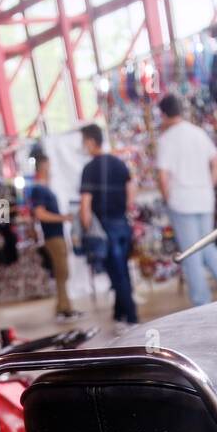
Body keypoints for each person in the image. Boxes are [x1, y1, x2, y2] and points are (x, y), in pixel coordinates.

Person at [156, 92, 217, 307]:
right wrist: (208, 185)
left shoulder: (166, 139)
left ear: (163, 114)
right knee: (206, 246)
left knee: (191, 253)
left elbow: (162, 176)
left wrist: (168, 198)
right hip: (204, 199)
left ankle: (201, 302)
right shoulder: (197, 133)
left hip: (181, 202)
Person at [79, 123, 138, 326]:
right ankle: (120, 314)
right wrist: (126, 208)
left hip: (104, 227)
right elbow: (131, 189)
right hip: (122, 222)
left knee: (117, 272)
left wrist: (86, 229)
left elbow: (85, 204)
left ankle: (132, 317)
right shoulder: (118, 163)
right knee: (121, 269)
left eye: (83, 141)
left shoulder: (89, 169)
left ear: (90, 141)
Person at [29, 156, 79, 319]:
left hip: (56, 234)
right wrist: (63, 218)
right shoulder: (39, 189)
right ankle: (63, 308)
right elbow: (40, 214)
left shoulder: (44, 188)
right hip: (52, 236)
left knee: (62, 272)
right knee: (61, 271)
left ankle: (64, 306)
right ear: (43, 166)